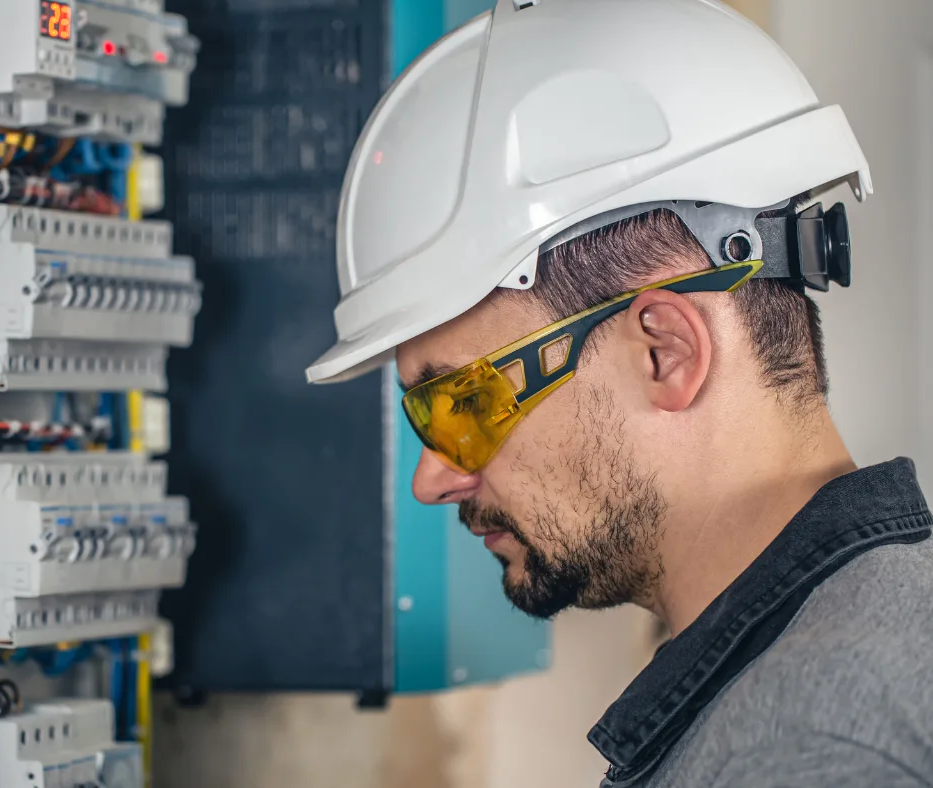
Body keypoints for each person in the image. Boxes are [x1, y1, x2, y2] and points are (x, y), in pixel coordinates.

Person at [306, 1, 933, 786]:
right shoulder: (875, 638)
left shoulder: (803, 745)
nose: (433, 479)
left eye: (460, 405)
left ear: (664, 353)